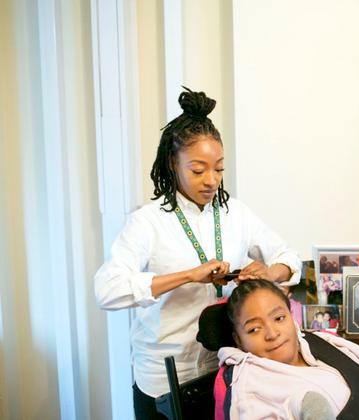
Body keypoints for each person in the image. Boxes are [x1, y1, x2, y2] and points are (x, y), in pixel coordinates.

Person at [94, 88, 301, 419]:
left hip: (225, 373)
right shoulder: (147, 222)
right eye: (198, 169)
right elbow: (107, 291)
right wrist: (189, 276)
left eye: (218, 169)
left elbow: (290, 258)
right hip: (163, 380)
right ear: (173, 164)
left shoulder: (236, 213)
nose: (211, 180)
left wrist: (270, 273)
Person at [197, 279, 359, 419]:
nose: (272, 334)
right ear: (238, 340)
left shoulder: (325, 342)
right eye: (254, 329)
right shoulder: (250, 386)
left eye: (279, 318)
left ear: (291, 317)